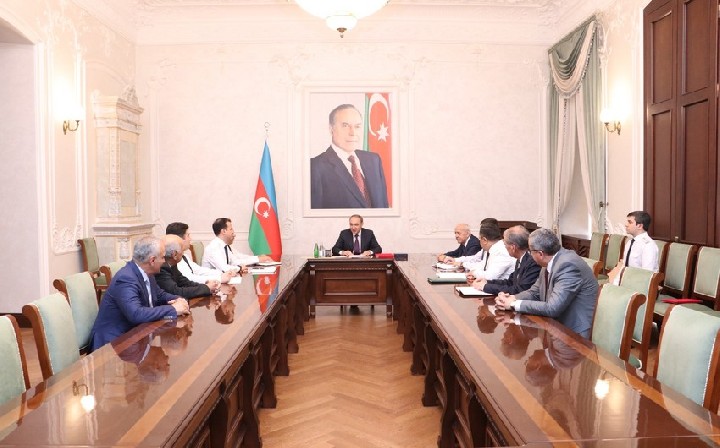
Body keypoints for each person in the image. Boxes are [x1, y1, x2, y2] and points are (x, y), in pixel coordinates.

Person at [89, 236, 190, 352]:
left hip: (135, 337)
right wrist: (173, 309)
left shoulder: (147, 273)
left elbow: (160, 295)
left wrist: (179, 300)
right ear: (152, 260)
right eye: (162, 257)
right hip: (113, 345)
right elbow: (136, 314)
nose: (164, 261)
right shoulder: (126, 278)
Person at [494, 228, 598, 339]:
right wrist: (511, 298)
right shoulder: (549, 261)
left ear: (540, 254)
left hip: (572, 334)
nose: (529, 255)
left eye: (530, 251)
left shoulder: (568, 266)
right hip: (554, 326)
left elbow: (552, 308)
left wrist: (514, 304)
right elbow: (534, 292)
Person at [310, 104, 389, 209]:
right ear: (331, 129)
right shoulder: (315, 167)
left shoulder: (374, 160)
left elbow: (384, 206)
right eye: (345, 125)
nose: (352, 133)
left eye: (357, 126)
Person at [474, 225, 541, 295]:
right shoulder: (521, 259)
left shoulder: (533, 263)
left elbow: (520, 290)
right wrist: (487, 282)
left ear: (513, 247)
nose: (504, 247)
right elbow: (510, 282)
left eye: (505, 244)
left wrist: (485, 287)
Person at [166, 222, 236, 285]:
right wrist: (219, 279)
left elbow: (199, 270)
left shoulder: (184, 256)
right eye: (188, 236)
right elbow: (190, 278)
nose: (190, 239)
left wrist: (222, 274)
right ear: (179, 239)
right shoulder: (174, 259)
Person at [156, 234, 217, 299]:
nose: (183, 253)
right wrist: (206, 288)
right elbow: (176, 292)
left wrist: (206, 286)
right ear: (174, 254)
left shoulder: (172, 264)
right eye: (182, 250)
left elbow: (185, 282)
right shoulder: (161, 268)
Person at [203, 218, 273, 272]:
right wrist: (240, 268)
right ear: (223, 231)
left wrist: (257, 258)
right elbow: (224, 268)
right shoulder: (214, 247)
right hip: (212, 283)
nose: (234, 234)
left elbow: (236, 260)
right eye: (231, 229)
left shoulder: (225, 246)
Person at [608, 211, 660, 284]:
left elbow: (646, 274)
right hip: (626, 281)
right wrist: (615, 284)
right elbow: (624, 266)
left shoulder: (648, 245)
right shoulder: (630, 242)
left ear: (640, 226)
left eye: (630, 222)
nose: (626, 225)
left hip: (639, 285)